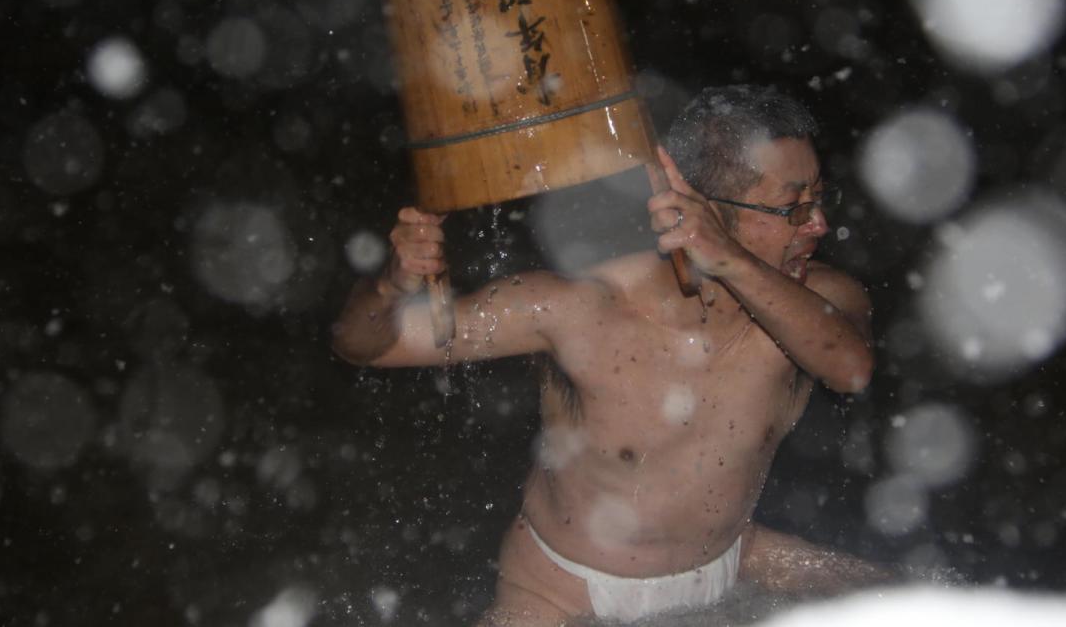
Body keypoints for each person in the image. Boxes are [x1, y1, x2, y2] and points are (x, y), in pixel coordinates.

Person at [332, 84, 895, 625]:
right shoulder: (581, 306)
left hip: (728, 560)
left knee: (924, 599)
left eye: (818, 199)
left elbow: (850, 369)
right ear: (701, 208)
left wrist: (730, 260)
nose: (818, 224)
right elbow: (366, 346)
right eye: (791, 208)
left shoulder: (821, 299)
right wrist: (389, 284)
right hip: (558, 593)